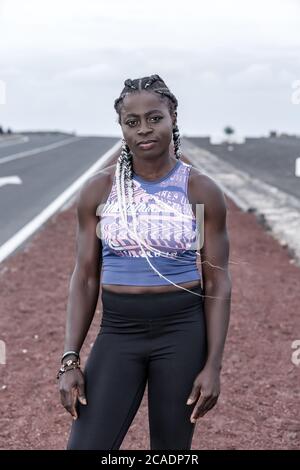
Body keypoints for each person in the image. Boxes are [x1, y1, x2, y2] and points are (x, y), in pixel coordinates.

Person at [58, 74, 232, 450]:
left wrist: (213, 365)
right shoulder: (99, 190)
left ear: (173, 117)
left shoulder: (200, 189)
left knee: (170, 450)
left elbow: (217, 281)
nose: (144, 129)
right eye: (131, 122)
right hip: (119, 331)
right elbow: (86, 277)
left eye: (155, 118)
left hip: (182, 332)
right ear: (121, 127)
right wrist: (70, 359)